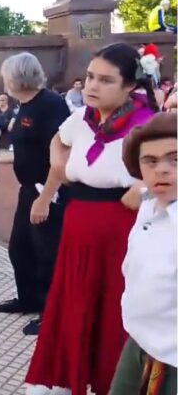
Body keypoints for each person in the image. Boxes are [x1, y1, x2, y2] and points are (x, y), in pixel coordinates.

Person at [25, 43, 157, 395]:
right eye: (90, 78)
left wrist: (144, 187)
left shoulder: (148, 124)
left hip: (122, 225)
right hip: (78, 222)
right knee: (74, 300)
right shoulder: (82, 118)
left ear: (130, 86)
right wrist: (57, 167)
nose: (93, 87)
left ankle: (112, 383)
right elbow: (59, 140)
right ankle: (69, 376)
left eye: (106, 80)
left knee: (115, 305)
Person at [0, 52, 69, 336]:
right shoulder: (23, 106)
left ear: (17, 76)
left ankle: (51, 312)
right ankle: (28, 298)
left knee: (47, 254)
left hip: (47, 191)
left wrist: (46, 197)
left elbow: (60, 156)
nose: (3, 80)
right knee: (20, 248)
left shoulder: (50, 105)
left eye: (6, 74)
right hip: (28, 190)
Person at [108, 112, 178, 395]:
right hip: (139, 340)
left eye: (175, 159)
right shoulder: (149, 206)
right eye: (149, 161)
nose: (161, 169)